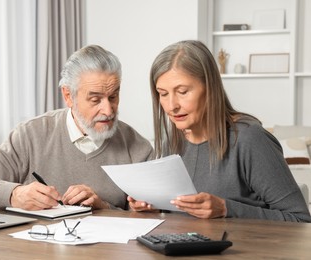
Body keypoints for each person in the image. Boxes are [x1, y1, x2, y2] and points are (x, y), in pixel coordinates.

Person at [128, 40, 311, 222]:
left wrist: (226, 208)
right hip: (185, 249)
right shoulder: (173, 141)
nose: (171, 106)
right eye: (163, 94)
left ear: (210, 88)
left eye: (182, 91)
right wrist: (151, 207)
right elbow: (179, 215)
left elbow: (300, 220)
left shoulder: (249, 140)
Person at [0, 45, 154, 211]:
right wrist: (14, 194)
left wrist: (103, 207)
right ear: (68, 96)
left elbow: (151, 220)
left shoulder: (137, 148)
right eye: (95, 99)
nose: (108, 109)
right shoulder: (31, 134)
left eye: (113, 96)